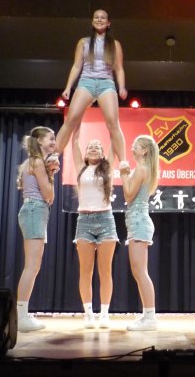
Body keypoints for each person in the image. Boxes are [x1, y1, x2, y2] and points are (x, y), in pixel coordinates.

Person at [55, 8, 128, 167]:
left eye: (103, 18)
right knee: (71, 119)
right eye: (96, 17)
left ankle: (123, 162)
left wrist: (122, 87)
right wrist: (68, 87)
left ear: (108, 23)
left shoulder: (114, 44)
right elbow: (76, 66)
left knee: (113, 124)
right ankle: (54, 156)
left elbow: (119, 68)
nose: (99, 19)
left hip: (106, 83)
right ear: (92, 21)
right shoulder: (83, 42)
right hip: (86, 81)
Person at [70, 126, 118, 329]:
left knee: (105, 271)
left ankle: (104, 314)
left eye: (98, 146)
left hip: (106, 219)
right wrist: (77, 122)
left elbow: (115, 141)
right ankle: (88, 314)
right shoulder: (81, 168)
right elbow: (74, 143)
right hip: (84, 220)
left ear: (103, 153)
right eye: (90, 146)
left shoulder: (107, 168)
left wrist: (112, 122)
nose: (93, 148)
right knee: (86, 271)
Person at [16, 126, 59, 332]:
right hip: (35, 209)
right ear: (39, 141)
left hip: (34, 210)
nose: (54, 142)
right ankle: (21, 316)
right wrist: (51, 174)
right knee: (31, 266)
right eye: (50, 138)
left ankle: (22, 313)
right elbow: (49, 195)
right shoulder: (38, 162)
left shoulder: (32, 162)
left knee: (32, 266)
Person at [120, 135, 160, 331]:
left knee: (140, 272)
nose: (132, 148)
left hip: (139, 221)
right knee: (139, 272)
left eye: (136, 146)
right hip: (137, 220)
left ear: (145, 151)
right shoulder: (144, 169)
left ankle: (150, 317)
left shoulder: (142, 169)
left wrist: (123, 174)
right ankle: (147, 315)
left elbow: (128, 195)